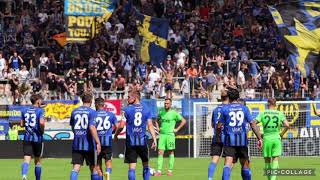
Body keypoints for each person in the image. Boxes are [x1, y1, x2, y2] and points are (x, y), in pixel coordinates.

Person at [217, 88, 262, 180]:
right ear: (238, 98)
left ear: (228, 97)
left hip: (229, 140)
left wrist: (218, 136)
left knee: (228, 164)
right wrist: (259, 138)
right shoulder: (244, 108)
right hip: (242, 141)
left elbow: (219, 126)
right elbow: (253, 124)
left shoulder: (225, 109)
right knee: (245, 164)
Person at [114, 91, 157, 180]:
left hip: (131, 142)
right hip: (142, 141)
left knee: (132, 168)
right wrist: (154, 139)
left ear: (135, 98)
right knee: (145, 165)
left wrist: (116, 135)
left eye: (129, 97)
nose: (127, 98)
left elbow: (121, 126)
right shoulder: (146, 109)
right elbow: (150, 126)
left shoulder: (127, 110)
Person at [69, 93, 102, 180]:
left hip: (76, 144)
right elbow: (92, 128)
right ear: (91, 101)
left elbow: (72, 127)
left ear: (82, 100)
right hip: (89, 145)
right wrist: (98, 142)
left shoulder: (74, 111)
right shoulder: (92, 112)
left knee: (76, 168)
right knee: (93, 168)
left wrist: (78, 133)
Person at [256, 98, 289, 180]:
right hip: (276, 138)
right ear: (275, 104)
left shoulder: (263, 113)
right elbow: (287, 125)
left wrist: (259, 135)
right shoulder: (279, 113)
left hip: (266, 138)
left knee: (267, 161)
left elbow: (253, 123)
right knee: (275, 160)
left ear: (268, 104)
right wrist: (281, 134)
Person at [154, 98, 186, 176]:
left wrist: (177, 129)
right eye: (165, 103)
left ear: (171, 104)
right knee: (160, 152)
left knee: (171, 152)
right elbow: (156, 120)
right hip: (162, 135)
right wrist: (158, 128)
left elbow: (184, 121)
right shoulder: (161, 112)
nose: (166, 105)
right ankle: (159, 171)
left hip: (170, 135)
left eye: (167, 103)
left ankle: (170, 170)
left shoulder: (174, 113)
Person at [21, 94, 45, 180]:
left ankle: (24, 175)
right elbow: (42, 123)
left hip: (27, 138)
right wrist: (42, 130)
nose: (41, 101)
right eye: (41, 100)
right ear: (38, 101)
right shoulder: (40, 110)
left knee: (26, 159)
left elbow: (21, 124)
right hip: (37, 138)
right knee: (37, 161)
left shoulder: (24, 110)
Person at [95, 97, 118, 180]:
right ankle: (108, 174)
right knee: (108, 161)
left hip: (97, 143)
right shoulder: (111, 114)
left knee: (98, 164)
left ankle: (101, 177)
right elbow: (117, 126)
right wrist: (112, 132)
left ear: (97, 105)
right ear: (103, 105)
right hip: (108, 142)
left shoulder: (94, 114)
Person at [208, 90, 228, 180]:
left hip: (217, 137)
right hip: (227, 137)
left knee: (214, 159)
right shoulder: (229, 109)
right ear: (228, 97)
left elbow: (212, 124)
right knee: (228, 161)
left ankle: (210, 178)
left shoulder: (216, 109)